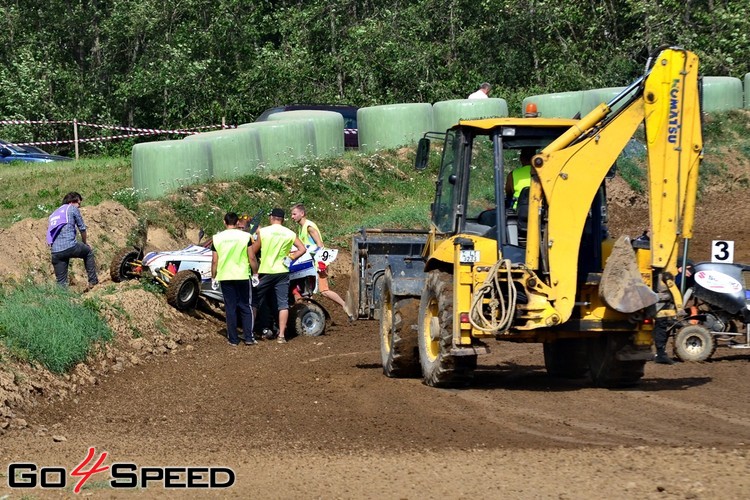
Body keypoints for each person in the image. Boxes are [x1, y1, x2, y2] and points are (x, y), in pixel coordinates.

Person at [250, 208, 306, 344]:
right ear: (282, 219)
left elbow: (252, 251)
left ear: (271, 218)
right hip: (282, 271)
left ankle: (250, 332)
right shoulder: (290, 233)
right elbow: (303, 249)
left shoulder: (263, 232)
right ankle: (281, 335)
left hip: (266, 270)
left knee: (254, 300)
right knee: (282, 304)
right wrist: (291, 257)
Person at [290, 203, 353, 321]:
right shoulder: (301, 227)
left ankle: (346, 307)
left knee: (324, 291)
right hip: (309, 266)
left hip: (318, 264)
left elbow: (320, 246)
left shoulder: (309, 227)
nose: (292, 217)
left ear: (302, 213)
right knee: (306, 293)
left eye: (294, 214)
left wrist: (321, 264)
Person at [211, 212, 259, 347]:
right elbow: (251, 257)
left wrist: (213, 277)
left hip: (225, 276)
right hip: (242, 275)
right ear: (238, 222)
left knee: (230, 307)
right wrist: (255, 274)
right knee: (246, 306)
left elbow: (215, 261)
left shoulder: (217, 238)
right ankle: (249, 337)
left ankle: (233, 339)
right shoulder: (245, 236)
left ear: (224, 222)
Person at [47, 192, 99, 289]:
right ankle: (93, 282)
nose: (79, 206)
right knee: (88, 252)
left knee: (61, 283)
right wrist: (85, 243)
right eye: (79, 203)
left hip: (56, 251)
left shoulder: (53, 214)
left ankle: (62, 299)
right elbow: (82, 228)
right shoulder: (72, 209)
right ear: (72, 202)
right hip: (70, 246)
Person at [652, 258, 694, 364]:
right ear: (680, 268)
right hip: (662, 303)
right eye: (687, 269)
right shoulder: (674, 277)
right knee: (662, 325)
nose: (690, 272)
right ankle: (660, 354)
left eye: (691, 270)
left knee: (665, 326)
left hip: (667, 304)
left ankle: (661, 353)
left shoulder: (684, 278)